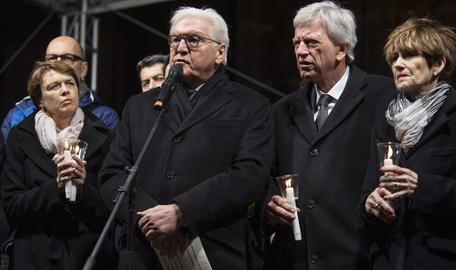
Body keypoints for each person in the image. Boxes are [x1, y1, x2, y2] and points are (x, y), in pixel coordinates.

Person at [100, 6, 273, 270]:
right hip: (144, 251)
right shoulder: (139, 106)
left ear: (221, 52)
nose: (180, 48)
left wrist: (182, 213)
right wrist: (151, 220)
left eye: (193, 40)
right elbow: (112, 175)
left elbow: (249, 175)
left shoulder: (251, 105)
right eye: (175, 39)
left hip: (214, 250)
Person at [263, 2, 396, 269]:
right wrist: (269, 203)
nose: (300, 51)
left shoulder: (384, 97)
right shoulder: (282, 110)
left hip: (360, 255)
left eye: (311, 43)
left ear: (341, 49)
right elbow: (266, 174)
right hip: (296, 258)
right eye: (296, 43)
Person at [361, 17, 456, 269]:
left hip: (444, 261)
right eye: (394, 58)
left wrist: (423, 186)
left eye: (409, 55)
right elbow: (367, 193)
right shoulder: (385, 123)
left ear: (437, 64)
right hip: (389, 260)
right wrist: (370, 205)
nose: (398, 64)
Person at [1, 61, 115, 270]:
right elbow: (11, 206)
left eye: (70, 84)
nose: (65, 90)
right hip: (34, 254)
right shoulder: (20, 136)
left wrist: (82, 190)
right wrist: (56, 188)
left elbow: (112, 208)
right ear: (40, 100)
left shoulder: (104, 135)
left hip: (89, 254)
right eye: (54, 86)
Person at [1, 36, 119, 142]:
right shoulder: (19, 113)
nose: (57, 63)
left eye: (67, 58)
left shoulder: (103, 117)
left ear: (83, 69)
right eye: (51, 58)